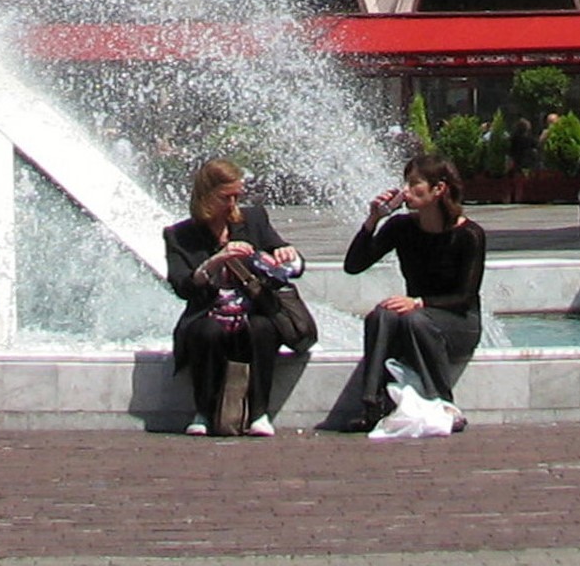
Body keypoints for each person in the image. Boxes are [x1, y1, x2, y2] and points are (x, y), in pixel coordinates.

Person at [163, 160, 311, 437]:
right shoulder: (180, 235)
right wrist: (215, 262)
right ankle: (204, 411)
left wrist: (287, 255)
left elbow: (293, 267)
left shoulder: (253, 219)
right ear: (205, 196)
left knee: (262, 327)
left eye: (237, 196)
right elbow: (182, 286)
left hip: (254, 309)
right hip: (209, 312)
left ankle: (259, 413)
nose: (232, 204)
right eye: (225, 197)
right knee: (206, 331)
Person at [342, 153, 485, 430]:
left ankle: (442, 402)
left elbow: (465, 297)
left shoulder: (469, 235)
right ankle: (372, 403)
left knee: (412, 318)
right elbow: (354, 265)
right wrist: (373, 220)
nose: (405, 191)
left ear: (438, 189)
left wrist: (419, 302)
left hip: (459, 321)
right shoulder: (401, 227)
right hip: (418, 316)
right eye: (405, 183)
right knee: (383, 314)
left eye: (414, 184)